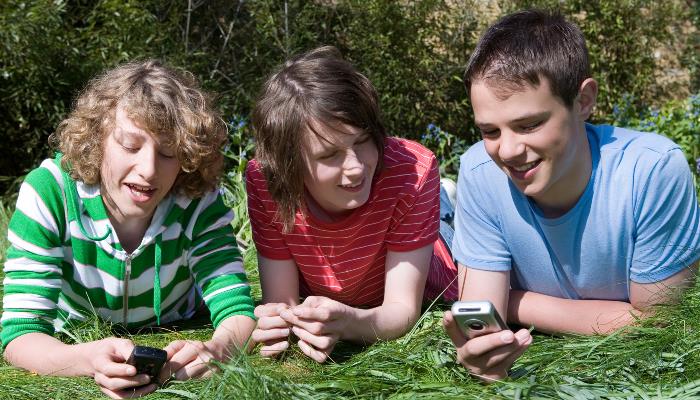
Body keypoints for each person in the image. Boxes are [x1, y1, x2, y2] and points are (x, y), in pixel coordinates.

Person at [443, 9, 700, 381]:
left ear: (583, 101)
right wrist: (482, 359)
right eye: (490, 132)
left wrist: (517, 301)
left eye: (528, 124)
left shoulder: (653, 171)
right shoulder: (481, 171)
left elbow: (659, 324)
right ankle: (442, 203)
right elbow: (483, 319)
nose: (508, 151)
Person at [1, 60, 256, 398]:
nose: (149, 170)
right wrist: (83, 359)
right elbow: (21, 333)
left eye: (168, 152)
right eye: (130, 146)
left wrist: (217, 349)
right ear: (97, 139)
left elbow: (238, 312)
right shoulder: (49, 193)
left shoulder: (199, 201)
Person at [246, 46, 458, 363]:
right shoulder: (266, 180)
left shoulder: (413, 169)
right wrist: (280, 323)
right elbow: (283, 303)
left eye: (362, 141)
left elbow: (402, 310)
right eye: (329, 155)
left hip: (434, 256)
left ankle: (444, 204)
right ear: (289, 165)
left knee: (450, 236)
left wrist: (350, 323)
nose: (356, 166)